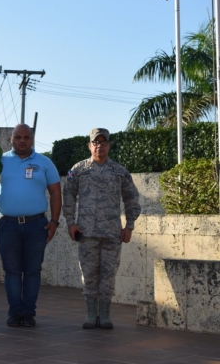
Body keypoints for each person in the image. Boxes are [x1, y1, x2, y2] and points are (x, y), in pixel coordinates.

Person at [62, 128, 141, 330]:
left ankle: (104, 315)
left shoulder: (119, 171)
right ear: (89, 146)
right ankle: (90, 314)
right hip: (86, 234)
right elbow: (68, 196)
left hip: (112, 234)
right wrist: (70, 222)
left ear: (109, 145)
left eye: (103, 142)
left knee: (108, 276)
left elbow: (131, 197)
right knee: (88, 275)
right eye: (95, 143)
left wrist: (129, 225)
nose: (100, 146)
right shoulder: (77, 170)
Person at [0, 124, 62, 327]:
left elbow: (56, 193)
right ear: (11, 139)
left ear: (32, 139)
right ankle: (15, 313)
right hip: (7, 225)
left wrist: (54, 222)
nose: (22, 141)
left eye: (26, 137)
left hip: (36, 225)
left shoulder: (44, 162)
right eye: (18, 137)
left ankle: (29, 314)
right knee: (12, 271)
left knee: (33, 271)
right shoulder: (0, 162)